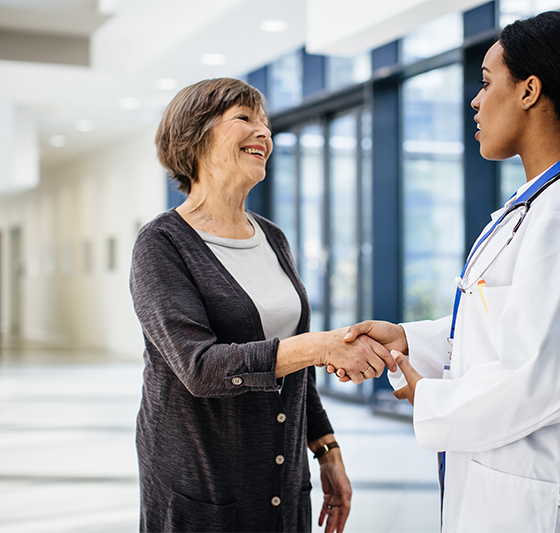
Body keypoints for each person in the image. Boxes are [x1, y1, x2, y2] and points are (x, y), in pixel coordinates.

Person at [342, 11, 560, 532]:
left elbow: (539, 376)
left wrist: (427, 396)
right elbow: (501, 325)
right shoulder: (533, 207)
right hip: (509, 471)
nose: (475, 101)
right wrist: (410, 339)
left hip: (545, 487)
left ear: (529, 90)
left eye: (485, 81)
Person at [129, 77, 396, 533]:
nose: (265, 133)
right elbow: (199, 367)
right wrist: (320, 347)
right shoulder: (162, 244)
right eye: (245, 119)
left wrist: (326, 448)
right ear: (196, 135)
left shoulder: (272, 237)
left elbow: (294, 363)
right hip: (205, 484)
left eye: (267, 124)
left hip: (283, 478)